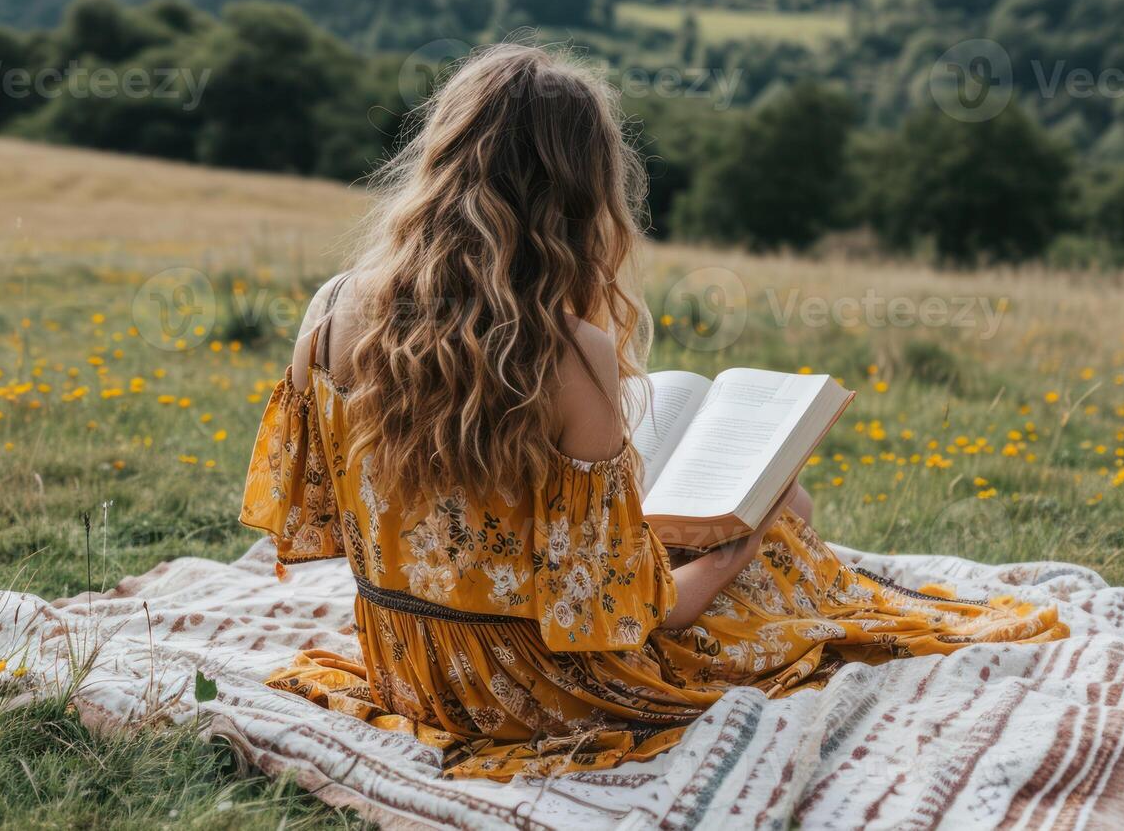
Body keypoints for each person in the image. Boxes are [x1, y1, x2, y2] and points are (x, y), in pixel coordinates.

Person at [240, 44, 1067, 780]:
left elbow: (319, 524)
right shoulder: (566, 354)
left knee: (758, 528)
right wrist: (742, 541)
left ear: (442, 159)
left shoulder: (331, 308)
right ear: (581, 193)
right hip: (537, 693)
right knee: (784, 532)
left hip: (408, 665)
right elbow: (625, 621)